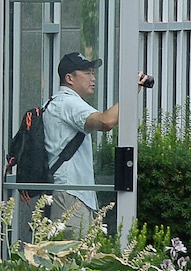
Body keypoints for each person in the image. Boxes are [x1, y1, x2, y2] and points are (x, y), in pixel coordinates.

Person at [44, 52, 147, 237]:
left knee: (76, 258)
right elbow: (106, 121)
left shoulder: (57, 103)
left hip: (72, 193)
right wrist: (130, 93)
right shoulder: (68, 103)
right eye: (87, 73)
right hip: (70, 194)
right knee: (73, 258)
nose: (93, 78)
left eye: (93, 72)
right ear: (69, 78)